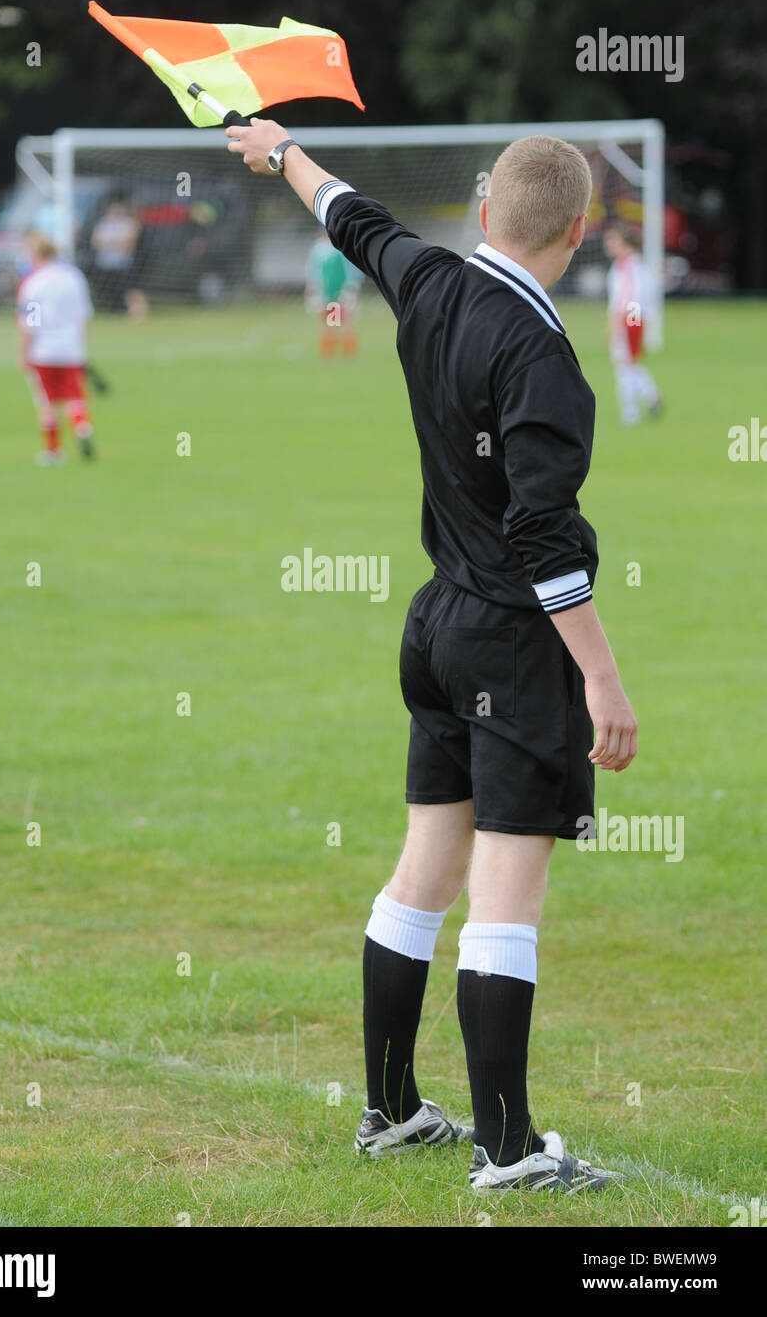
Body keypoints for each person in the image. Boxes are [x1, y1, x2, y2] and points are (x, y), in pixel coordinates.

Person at [227, 120, 638, 1195]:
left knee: (424, 875)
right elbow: (546, 542)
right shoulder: (539, 353)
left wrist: (281, 154)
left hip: (437, 624)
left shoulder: (431, 281)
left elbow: (350, 218)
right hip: (507, 635)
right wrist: (597, 673)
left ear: (480, 207)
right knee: (504, 895)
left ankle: (391, 1108)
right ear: (578, 229)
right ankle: (505, 1152)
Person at [17, 233, 96, 465]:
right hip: (71, 348)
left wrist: (23, 352)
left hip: (43, 350)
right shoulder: (74, 277)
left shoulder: (33, 283)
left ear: (36, 254)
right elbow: (84, 315)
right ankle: (82, 426)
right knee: (74, 397)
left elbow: (30, 323)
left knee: (47, 402)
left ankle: (53, 451)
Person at [603, 221, 662, 425]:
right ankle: (650, 395)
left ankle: (630, 413)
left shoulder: (629, 268)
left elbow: (628, 300)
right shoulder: (626, 266)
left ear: (624, 242)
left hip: (630, 319)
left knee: (624, 365)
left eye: (612, 240)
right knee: (629, 363)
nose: (608, 244)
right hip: (631, 319)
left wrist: (624, 325)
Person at [305, 232, 363, 357]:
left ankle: (343, 353)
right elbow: (314, 273)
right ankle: (334, 353)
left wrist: (351, 288)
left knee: (341, 323)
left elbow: (353, 271)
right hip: (328, 294)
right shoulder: (319, 250)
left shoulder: (340, 250)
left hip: (340, 293)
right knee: (333, 323)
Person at [89, 200, 147, 316]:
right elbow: (95, 242)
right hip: (105, 264)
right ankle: (116, 310)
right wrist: (115, 243)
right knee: (109, 289)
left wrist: (108, 243)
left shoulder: (130, 223)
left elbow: (128, 243)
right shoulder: (103, 223)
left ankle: (138, 312)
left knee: (130, 289)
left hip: (124, 263)